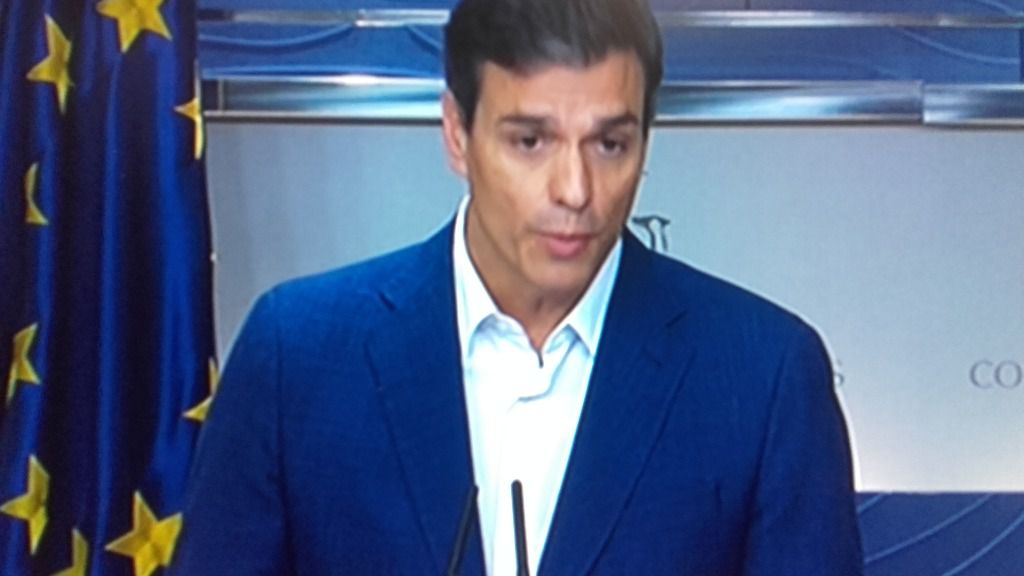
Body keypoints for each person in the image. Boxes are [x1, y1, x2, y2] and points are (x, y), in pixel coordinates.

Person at [172, 0, 863, 573]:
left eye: (610, 144)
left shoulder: (763, 375)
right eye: (531, 141)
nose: (576, 190)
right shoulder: (297, 355)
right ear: (457, 134)